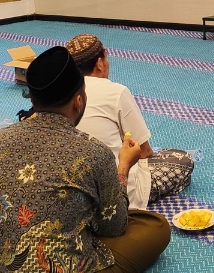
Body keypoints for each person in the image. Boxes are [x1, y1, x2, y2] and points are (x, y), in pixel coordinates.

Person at [0, 46, 170, 273]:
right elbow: (114, 226)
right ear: (78, 101)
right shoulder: (93, 151)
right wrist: (123, 167)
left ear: (33, 100)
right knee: (157, 227)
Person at [65, 34, 194, 209]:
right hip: (117, 189)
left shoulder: (60, 96)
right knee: (183, 160)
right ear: (99, 63)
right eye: (106, 57)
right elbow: (144, 152)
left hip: (74, 192)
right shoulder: (115, 92)